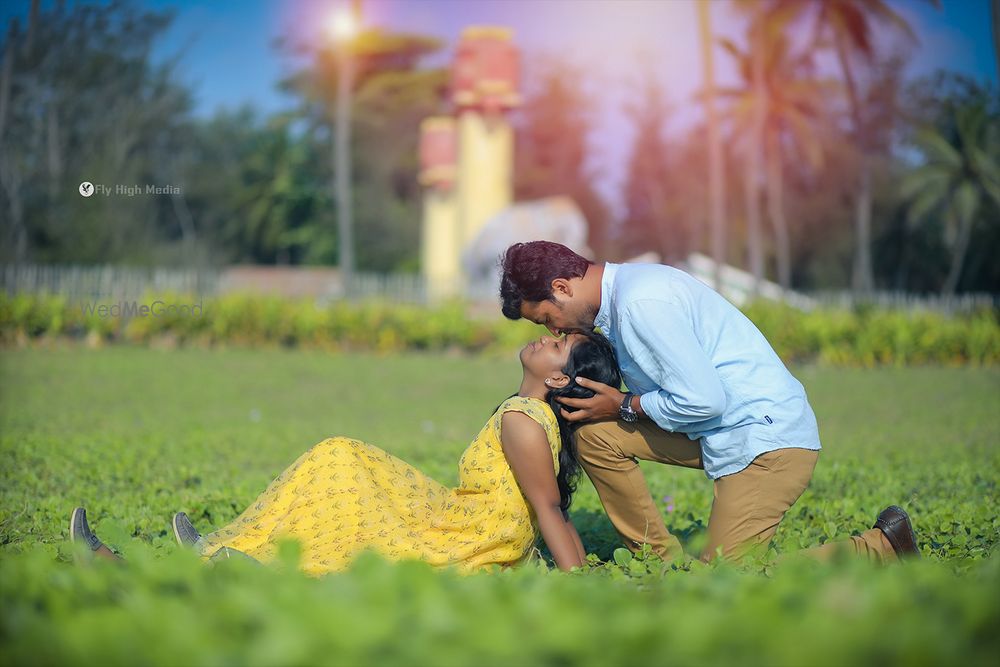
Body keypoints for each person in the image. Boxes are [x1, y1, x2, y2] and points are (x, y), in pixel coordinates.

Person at [498, 240, 919, 564]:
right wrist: (616, 408)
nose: (554, 332)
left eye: (546, 319)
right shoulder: (625, 294)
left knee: (727, 581)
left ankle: (881, 547)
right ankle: (657, 564)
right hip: (719, 431)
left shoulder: (640, 303)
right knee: (597, 435)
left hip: (763, 438)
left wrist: (626, 405)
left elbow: (704, 401)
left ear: (561, 287)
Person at [69, 332, 623, 576]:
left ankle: (218, 558)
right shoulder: (527, 414)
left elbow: (548, 511)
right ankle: (229, 550)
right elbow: (549, 507)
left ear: (556, 377)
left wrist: (579, 583)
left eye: (555, 345)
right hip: (460, 514)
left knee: (341, 465)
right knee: (341, 458)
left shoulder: (527, 422)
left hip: (467, 535)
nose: (541, 338)